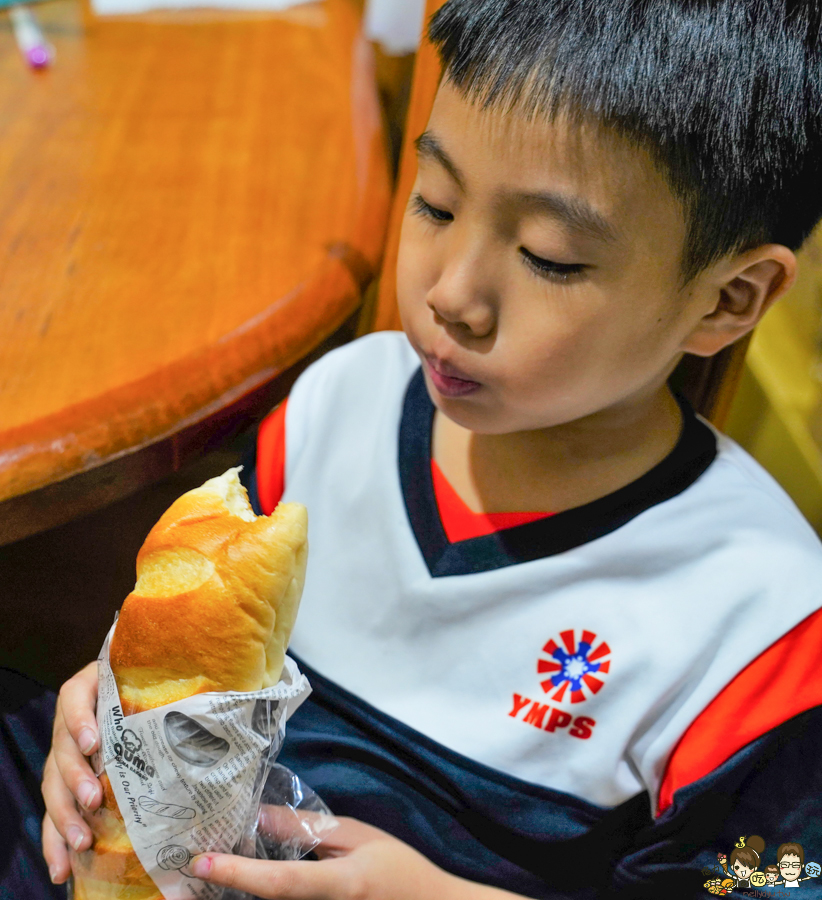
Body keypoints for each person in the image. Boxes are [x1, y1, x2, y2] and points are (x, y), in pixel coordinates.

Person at [37, 0, 822, 898]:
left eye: (549, 258)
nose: (451, 294)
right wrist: (112, 722)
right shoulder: (344, 402)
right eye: (437, 203)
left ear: (729, 299)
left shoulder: (763, 627)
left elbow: (757, 883)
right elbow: (201, 671)